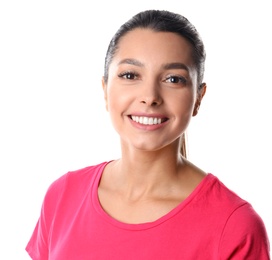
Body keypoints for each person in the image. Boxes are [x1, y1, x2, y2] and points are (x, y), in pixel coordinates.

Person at [25, 9, 270, 259]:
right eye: (130, 75)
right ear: (105, 89)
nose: (150, 97)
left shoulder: (234, 226)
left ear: (198, 98)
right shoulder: (63, 196)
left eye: (173, 79)